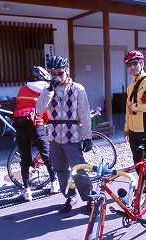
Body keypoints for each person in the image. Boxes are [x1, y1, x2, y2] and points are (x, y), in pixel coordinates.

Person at [36, 56, 93, 213]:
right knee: (61, 170)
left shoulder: (77, 89)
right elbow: (40, 109)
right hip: (54, 136)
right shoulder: (48, 89)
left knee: (78, 170)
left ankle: (89, 198)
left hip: (72, 136)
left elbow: (85, 114)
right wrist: (48, 89)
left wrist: (87, 137)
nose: (57, 77)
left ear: (67, 71)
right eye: (53, 74)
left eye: (60, 73)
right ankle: (69, 196)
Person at [14, 66, 59, 202]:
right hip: (36, 126)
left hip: (21, 127)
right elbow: (44, 110)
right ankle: (53, 184)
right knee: (47, 156)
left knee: (25, 160)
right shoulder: (44, 90)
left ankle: (27, 191)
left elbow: (18, 105)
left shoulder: (22, 89)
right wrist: (46, 120)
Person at [123, 50, 146, 169]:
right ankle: (141, 188)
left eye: (135, 63)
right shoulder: (131, 86)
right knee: (137, 163)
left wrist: (136, 107)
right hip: (133, 131)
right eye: (129, 64)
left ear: (142, 64)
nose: (132, 67)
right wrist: (126, 128)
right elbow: (127, 109)